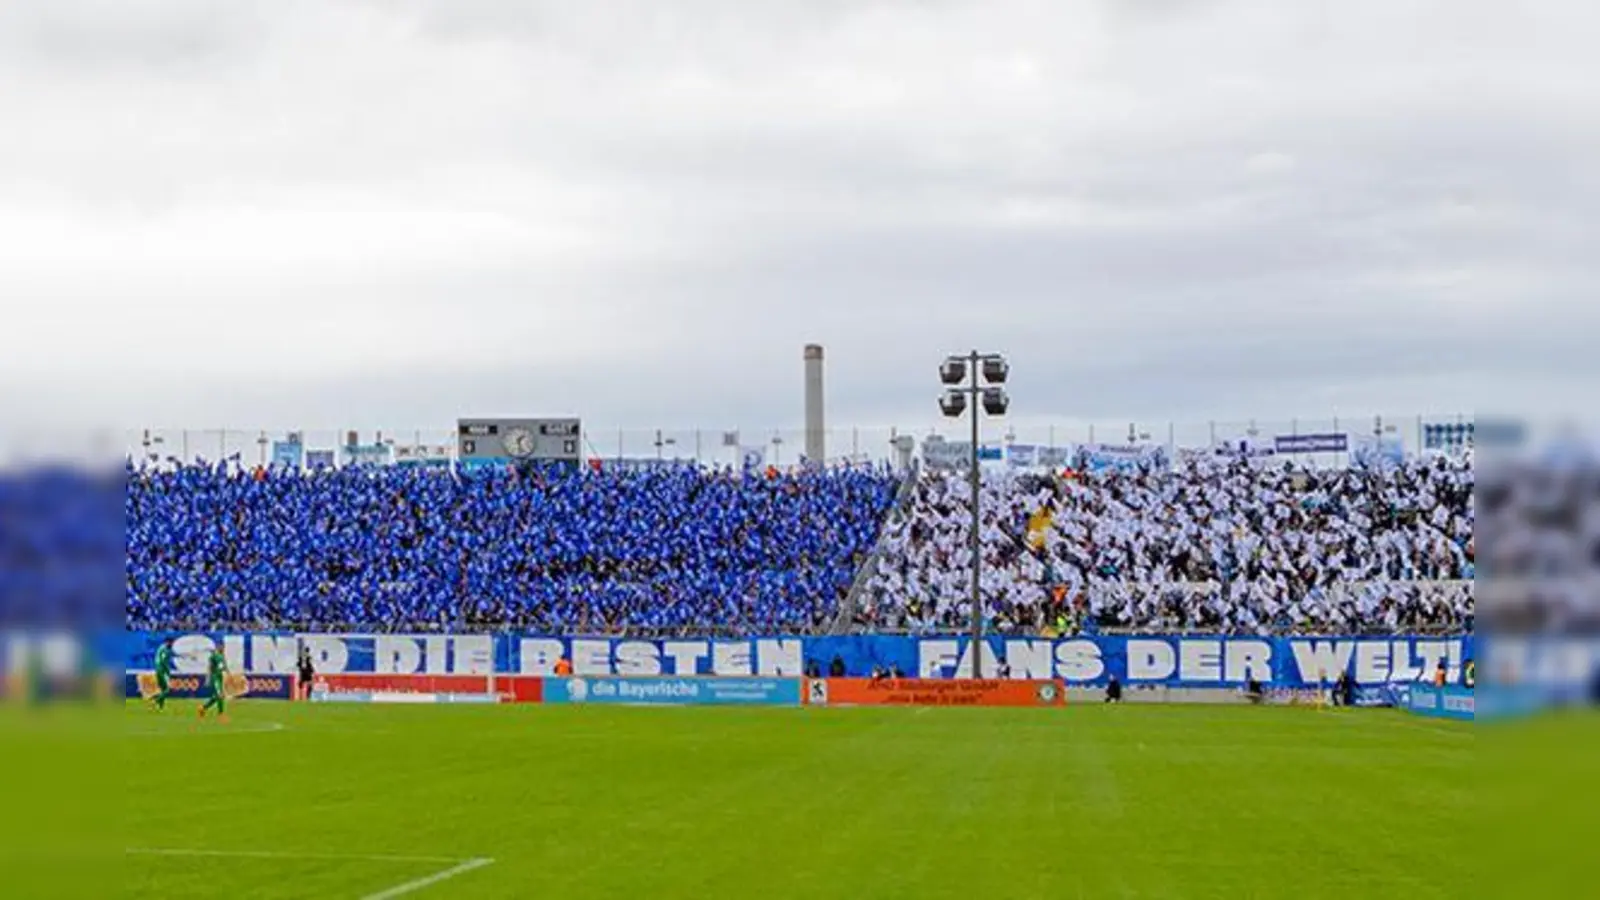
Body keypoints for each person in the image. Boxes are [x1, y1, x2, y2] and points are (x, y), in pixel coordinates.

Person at [197, 645, 230, 723]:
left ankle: (203, 708)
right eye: (221, 646)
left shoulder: (222, 656)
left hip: (220, 677)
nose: (223, 648)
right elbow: (209, 667)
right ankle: (221, 715)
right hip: (215, 677)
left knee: (216, 696)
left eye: (223, 647)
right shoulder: (213, 656)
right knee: (220, 695)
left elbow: (224, 666)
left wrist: (229, 673)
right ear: (218, 647)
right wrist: (208, 678)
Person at [149, 638, 175, 710]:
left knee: (163, 689)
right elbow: (163, 661)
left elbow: (160, 658)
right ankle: (155, 701)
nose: (172, 645)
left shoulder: (161, 647)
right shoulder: (165, 650)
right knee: (167, 690)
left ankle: (161, 708)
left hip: (158, 670)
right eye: (171, 643)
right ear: (168, 642)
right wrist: (168, 672)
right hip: (161, 671)